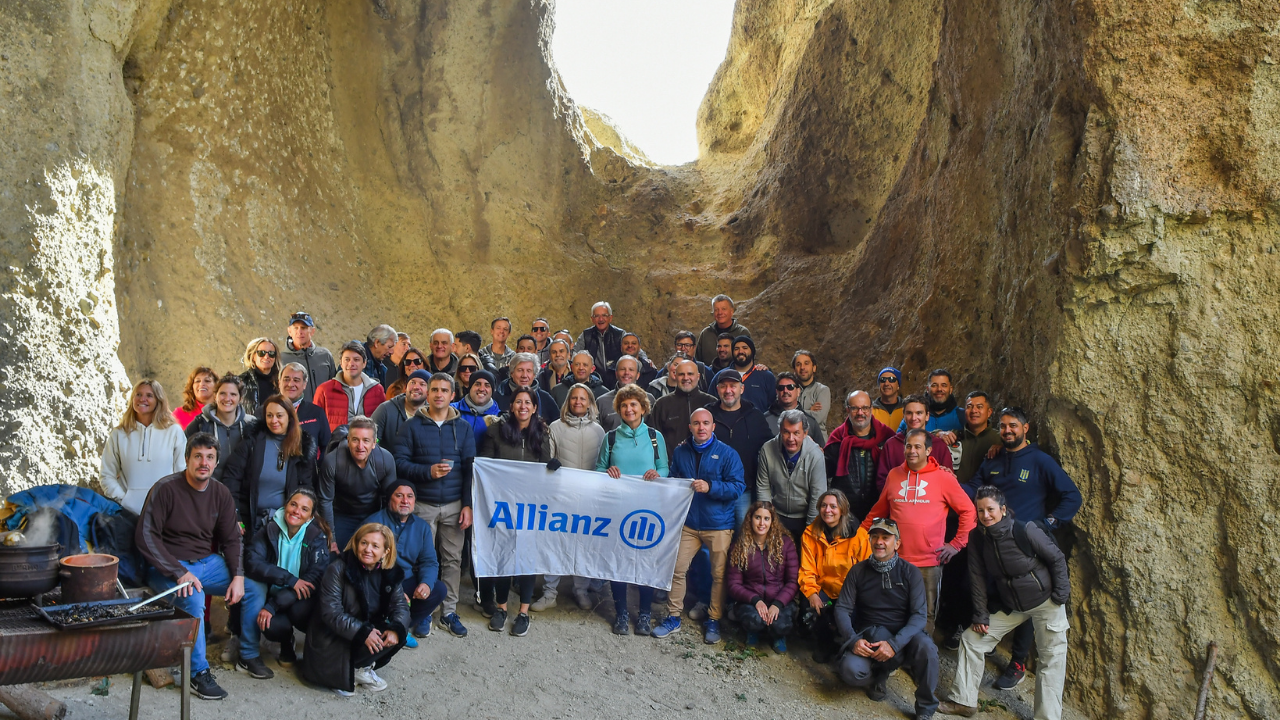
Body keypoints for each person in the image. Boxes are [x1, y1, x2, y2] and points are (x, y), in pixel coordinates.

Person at [965, 406, 1081, 689]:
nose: (1007, 431)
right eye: (1003, 426)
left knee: (1028, 599)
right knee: (995, 593)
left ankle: (1017, 661)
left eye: (1013, 426)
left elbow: (1071, 495)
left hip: (1027, 546)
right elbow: (974, 487)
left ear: (1025, 428)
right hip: (993, 543)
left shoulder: (1040, 461)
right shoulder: (993, 458)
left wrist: (1047, 524)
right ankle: (989, 645)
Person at [938, 486, 1070, 720]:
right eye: (980, 510)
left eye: (990, 509)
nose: (985, 515)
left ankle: (1047, 717)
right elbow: (976, 577)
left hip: (1045, 601)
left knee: (1051, 658)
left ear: (1003, 509)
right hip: (1012, 605)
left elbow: (1057, 558)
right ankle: (964, 701)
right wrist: (980, 614)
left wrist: (1059, 596)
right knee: (971, 639)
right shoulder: (978, 537)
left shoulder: (1025, 529)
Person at [136, 433, 244, 700]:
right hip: (169, 567)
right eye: (198, 456)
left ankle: (248, 653)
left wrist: (238, 576)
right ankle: (198, 674)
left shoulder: (220, 493)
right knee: (194, 600)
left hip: (207, 564)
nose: (203, 462)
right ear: (187, 459)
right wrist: (178, 572)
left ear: (216, 462)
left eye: (209, 457)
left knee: (252, 587)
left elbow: (231, 539)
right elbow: (145, 536)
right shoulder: (165, 489)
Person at [861, 429, 976, 635]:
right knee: (894, 608)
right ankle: (895, 653)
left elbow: (968, 511)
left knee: (925, 612)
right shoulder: (894, 475)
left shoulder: (943, 478)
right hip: (895, 559)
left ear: (928, 450)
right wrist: (860, 535)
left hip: (929, 562)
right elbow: (878, 511)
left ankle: (921, 657)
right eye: (908, 446)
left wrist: (957, 544)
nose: (911, 451)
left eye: (917, 447)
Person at [392, 373, 477, 638]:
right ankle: (424, 612)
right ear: (426, 394)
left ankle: (449, 611)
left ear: (452, 395)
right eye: (434, 390)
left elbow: (470, 469)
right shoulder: (411, 426)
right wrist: (427, 472)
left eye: (444, 390)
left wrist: (468, 504)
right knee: (422, 561)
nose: (439, 394)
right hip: (423, 505)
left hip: (454, 504)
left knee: (452, 560)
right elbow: (399, 463)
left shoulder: (463, 428)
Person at [652, 408, 744, 644]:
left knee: (719, 574)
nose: (701, 427)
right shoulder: (681, 452)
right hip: (689, 523)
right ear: (690, 427)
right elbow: (674, 480)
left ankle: (713, 618)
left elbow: (737, 487)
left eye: (706, 423)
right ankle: (673, 616)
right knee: (676, 569)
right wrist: (659, 482)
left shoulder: (728, 454)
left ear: (713, 427)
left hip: (718, 524)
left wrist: (711, 487)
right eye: (696, 423)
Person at [834, 518, 940, 720]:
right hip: (870, 634)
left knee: (928, 649)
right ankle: (879, 675)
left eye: (885, 537)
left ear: (897, 543)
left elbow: (919, 615)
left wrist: (894, 644)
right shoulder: (858, 571)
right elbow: (842, 608)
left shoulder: (911, 573)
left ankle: (926, 708)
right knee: (849, 671)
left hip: (903, 636)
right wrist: (853, 640)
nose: (879, 541)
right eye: (874, 536)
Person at [477, 387, 553, 637]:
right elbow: (485, 466)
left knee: (526, 558)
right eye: (518, 401)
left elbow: (545, 469)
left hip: (530, 506)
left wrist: (553, 467)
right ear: (511, 406)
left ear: (534, 407)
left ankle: (523, 612)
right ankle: (501, 608)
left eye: (527, 402)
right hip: (500, 504)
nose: (522, 406)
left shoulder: (542, 433)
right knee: (502, 555)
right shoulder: (495, 431)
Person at [595, 384, 670, 635]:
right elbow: (599, 469)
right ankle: (621, 613)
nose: (629, 409)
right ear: (619, 409)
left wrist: (656, 473)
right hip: (617, 507)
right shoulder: (611, 437)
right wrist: (608, 472)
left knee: (645, 561)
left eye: (633, 405)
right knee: (618, 560)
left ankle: (645, 614)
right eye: (624, 405)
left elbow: (665, 469)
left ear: (643, 408)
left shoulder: (654, 437)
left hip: (647, 509)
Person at [303, 523, 410, 697]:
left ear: (385, 552)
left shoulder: (390, 572)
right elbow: (331, 613)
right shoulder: (338, 569)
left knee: (396, 633)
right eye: (364, 543)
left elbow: (401, 607)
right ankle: (338, 675)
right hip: (331, 636)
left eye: (375, 546)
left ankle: (359, 669)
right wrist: (362, 632)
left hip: (360, 628)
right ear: (356, 544)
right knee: (364, 634)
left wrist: (396, 629)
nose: (368, 549)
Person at [238, 488, 332, 678]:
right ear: (286, 505)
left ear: (310, 517)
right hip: (275, 592)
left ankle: (312, 654)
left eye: (304, 509)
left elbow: (313, 579)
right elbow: (252, 562)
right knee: (270, 624)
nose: (297, 511)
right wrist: (290, 580)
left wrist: (273, 605)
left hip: (299, 599)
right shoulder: (269, 527)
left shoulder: (316, 536)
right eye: (294, 504)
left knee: (300, 611)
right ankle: (285, 642)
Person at [938, 390, 1002, 649]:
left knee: (974, 576)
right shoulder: (956, 436)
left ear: (989, 412)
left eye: (979, 406)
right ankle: (949, 622)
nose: (973, 411)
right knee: (951, 572)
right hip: (954, 517)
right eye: (969, 406)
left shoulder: (998, 440)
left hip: (985, 521)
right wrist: (938, 436)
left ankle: (973, 627)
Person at [541, 384, 606, 611]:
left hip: (588, 498)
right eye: (574, 398)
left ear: (590, 403)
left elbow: (603, 463)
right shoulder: (555, 427)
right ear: (568, 401)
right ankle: (549, 592)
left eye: (583, 398)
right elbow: (547, 457)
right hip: (562, 496)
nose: (578, 402)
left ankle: (580, 589)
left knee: (584, 545)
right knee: (556, 543)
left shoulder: (599, 431)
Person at [220, 395, 317, 536]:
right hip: (249, 520)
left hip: (286, 523)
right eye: (269, 415)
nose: (274, 420)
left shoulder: (302, 447)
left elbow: (307, 488)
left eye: (279, 415)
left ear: (290, 417)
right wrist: (235, 516)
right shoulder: (252, 441)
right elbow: (231, 479)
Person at [364, 482, 448, 643]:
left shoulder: (422, 526)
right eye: (399, 495)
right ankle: (379, 628)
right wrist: (393, 591)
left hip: (406, 580)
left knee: (438, 589)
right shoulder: (374, 523)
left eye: (410, 496)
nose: (405, 500)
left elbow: (429, 561)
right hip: (378, 582)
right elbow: (364, 564)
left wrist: (426, 584)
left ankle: (400, 627)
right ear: (389, 499)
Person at [798, 489, 871, 663]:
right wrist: (813, 593)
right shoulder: (810, 533)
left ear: (843, 510)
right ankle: (824, 644)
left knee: (849, 617)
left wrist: (856, 597)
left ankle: (847, 648)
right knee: (809, 606)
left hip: (850, 592)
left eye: (833, 506)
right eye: (823, 505)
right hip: (824, 589)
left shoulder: (859, 536)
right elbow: (806, 570)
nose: (827, 510)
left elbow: (868, 571)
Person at [100, 380, 187, 514]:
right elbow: (106, 475)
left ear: (158, 400)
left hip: (165, 513)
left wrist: (172, 503)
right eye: (138, 394)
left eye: (149, 395)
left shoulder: (174, 431)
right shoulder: (119, 434)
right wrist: (122, 500)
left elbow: (183, 473)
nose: (142, 399)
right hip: (126, 514)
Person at [726, 501, 800, 654]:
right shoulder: (740, 546)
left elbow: (793, 581)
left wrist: (778, 604)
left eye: (766, 518)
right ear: (750, 519)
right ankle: (753, 631)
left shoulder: (785, 544)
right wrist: (756, 600)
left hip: (779, 599)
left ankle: (778, 635)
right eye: (757, 517)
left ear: (772, 521)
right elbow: (734, 584)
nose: (761, 523)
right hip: (752, 599)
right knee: (754, 621)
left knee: (781, 624)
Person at [706, 369, 773, 528]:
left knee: (743, 537)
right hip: (713, 490)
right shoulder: (707, 414)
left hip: (744, 491)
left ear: (741, 389)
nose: (728, 390)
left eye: (733, 386)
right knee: (715, 539)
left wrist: (805, 442)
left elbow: (771, 446)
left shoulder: (755, 416)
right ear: (717, 389)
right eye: (723, 386)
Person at [319, 415, 397, 550]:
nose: (360, 446)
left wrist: (386, 531)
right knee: (337, 556)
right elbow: (325, 501)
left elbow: (389, 500)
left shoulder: (385, 460)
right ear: (348, 440)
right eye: (355, 440)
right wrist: (331, 539)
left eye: (366, 441)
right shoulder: (333, 461)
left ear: (374, 443)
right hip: (341, 514)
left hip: (373, 513)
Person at [756, 410, 826, 546]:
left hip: (804, 516)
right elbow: (763, 486)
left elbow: (818, 495)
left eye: (796, 433)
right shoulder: (767, 449)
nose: (791, 438)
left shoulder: (816, 455)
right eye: (786, 432)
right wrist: (766, 519)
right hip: (777, 514)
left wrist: (810, 529)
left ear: (805, 433)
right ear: (780, 431)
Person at [824, 391, 896, 523]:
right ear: (847, 410)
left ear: (871, 409)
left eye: (864, 408)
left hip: (880, 510)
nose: (860, 413)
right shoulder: (837, 439)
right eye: (855, 408)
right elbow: (824, 474)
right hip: (845, 513)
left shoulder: (886, 438)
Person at [185, 374, 257, 480]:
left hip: (240, 492)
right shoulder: (201, 423)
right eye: (222, 393)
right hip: (207, 490)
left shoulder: (251, 424)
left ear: (240, 398)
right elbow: (183, 455)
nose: (227, 398)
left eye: (233, 394)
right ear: (215, 396)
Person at [877, 395, 956, 489]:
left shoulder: (939, 446)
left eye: (919, 413)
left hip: (933, 501)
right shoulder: (891, 445)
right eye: (909, 413)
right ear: (904, 415)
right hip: (898, 500)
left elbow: (949, 481)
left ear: (927, 416)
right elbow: (881, 481)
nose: (914, 418)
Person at [314, 341, 388, 432]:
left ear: (364, 363)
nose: (351, 364)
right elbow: (315, 423)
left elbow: (383, 423)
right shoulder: (324, 390)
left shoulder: (377, 390)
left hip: (367, 445)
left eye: (356, 360)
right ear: (341, 363)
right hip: (334, 445)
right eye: (347, 359)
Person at [647, 359, 715, 452]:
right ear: (675, 376)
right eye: (681, 374)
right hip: (671, 464)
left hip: (707, 464)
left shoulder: (711, 403)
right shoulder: (662, 405)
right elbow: (653, 439)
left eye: (690, 374)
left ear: (698, 376)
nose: (686, 378)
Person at [277, 363, 330, 459]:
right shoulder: (266, 412)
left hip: (307, 472)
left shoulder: (316, 412)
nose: (290, 384)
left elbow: (327, 447)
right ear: (279, 382)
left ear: (304, 384)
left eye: (296, 380)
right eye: (286, 379)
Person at [279, 311, 336, 399]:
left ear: (312, 331)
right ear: (289, 331)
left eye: (304, 328)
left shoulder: (325, 355)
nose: (299, 332)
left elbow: (334, 387)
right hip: (294, 412)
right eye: (295, 328)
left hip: (324, 411)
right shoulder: (280, 359)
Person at [372, 370, 429, 456]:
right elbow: (372, 441)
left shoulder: (432, 415)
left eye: (422, 384)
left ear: (429, 391)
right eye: (412, 382)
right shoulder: (385, 409)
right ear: (405, 388)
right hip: (389, 466)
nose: (416, 387)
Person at [493, 353, 559, 424]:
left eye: (529, 371)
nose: (524, 375)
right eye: (520, 370)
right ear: (512, 373)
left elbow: (556, 427)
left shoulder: (545, 398)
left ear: (534, 375)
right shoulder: (498, 397)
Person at [574, 302, 627, 388]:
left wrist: (646, 360)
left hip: (617, 378)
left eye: (604, 315)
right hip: (594, 381)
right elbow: (575, 354)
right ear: (592, 319)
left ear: (610, 318)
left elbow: (635, 350)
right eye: (597, 316)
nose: (601, 319)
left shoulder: (620, 334)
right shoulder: (586, 335)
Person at [764, 371, 824, 444]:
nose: (785, 391)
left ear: (798, 391)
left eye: (790, 387)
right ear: (777, 392)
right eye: (781, 388)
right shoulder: (765, 420)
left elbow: (821, 452)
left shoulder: (811, 422)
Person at [596, 355, 652, 432]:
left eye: (631, 369)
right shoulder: (602, 402)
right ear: (616, 374)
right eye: (622, 369)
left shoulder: (649, 399)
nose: (626, 373)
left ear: (638, 375)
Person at [695, 294, 749, 365]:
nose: (720, 313)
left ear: (731, 311)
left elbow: (750, 359)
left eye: (724, 309)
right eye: (716, 310)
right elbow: (697, 361)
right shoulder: (706, 334)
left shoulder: (742, 333)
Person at [453, 369, 500, 447]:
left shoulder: (499, 417)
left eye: (487, 385)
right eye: (477, 384)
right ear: (470, 387)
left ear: (492, 390)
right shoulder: (452, 410)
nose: (481, 389)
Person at [730, 336, 776, 413]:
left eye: (745, 348)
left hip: (758, 423)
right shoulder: (721, 376)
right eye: (736, 349)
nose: (740, 351)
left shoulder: (766, 376)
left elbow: (774, 406)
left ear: (752, 351)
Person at [238, 338, 280, 412]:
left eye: (271, 354)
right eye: (262, 353)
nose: (266, 357)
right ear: (253, 356)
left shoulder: (282, 381)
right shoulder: (241, 381)